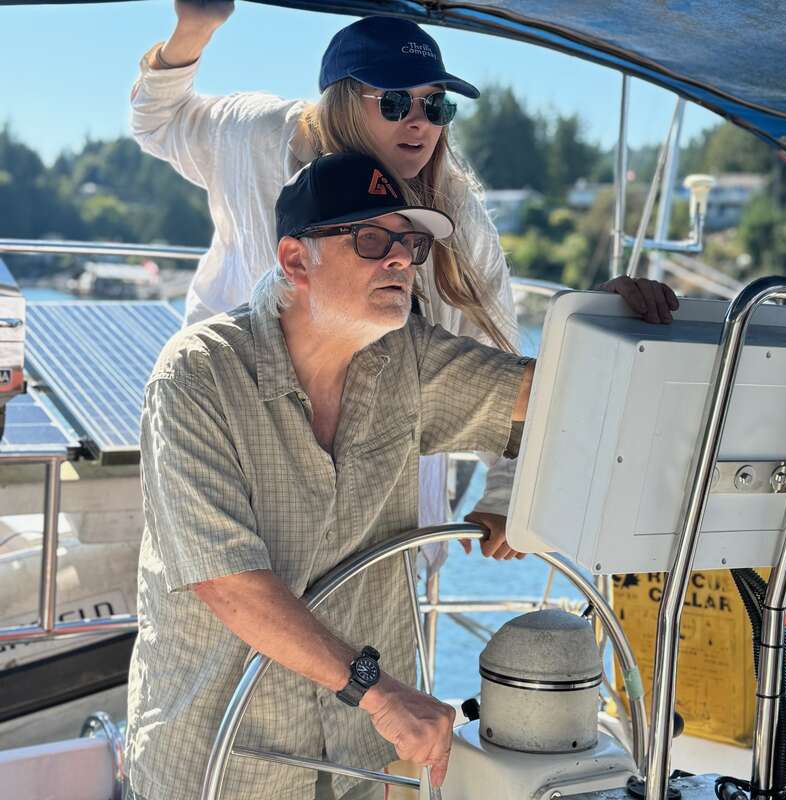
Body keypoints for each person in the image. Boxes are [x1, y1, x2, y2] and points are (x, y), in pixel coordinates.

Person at [130, 2, 678, 564]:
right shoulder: (255, 134)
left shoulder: (455, 216)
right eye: (394, 102)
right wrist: (194, 30)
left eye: (435, 104)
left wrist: (511, 492)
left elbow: (500, 359)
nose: (419, 122)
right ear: (341, 101)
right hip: (232, 429)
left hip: (382, 495)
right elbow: (158, 121)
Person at [124, 152, 536, 800]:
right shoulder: (196, 378)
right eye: (372, 240)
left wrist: (604, 322)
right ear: (295, 261)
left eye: (411, 242)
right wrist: (378, 691)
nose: (399, 259)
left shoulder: (411, 363)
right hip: (218, 768)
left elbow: (547, 398)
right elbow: (228, 581)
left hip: (357, 766)